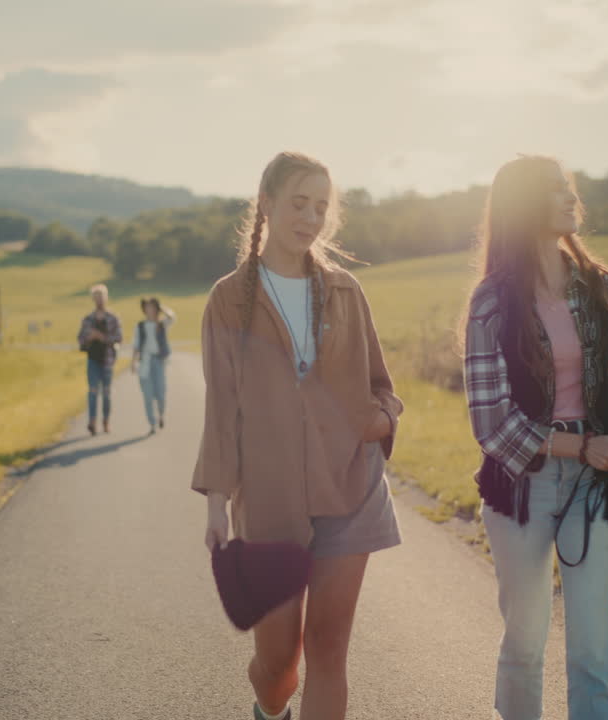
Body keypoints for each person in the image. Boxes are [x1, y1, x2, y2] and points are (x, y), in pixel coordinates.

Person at [192, 151, 403, 720]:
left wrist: (380, 421)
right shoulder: (228, 300)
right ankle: (268, 707)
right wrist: (217, 503)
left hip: (351, 489)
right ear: (266, 204)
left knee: (329, 653)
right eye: (298, 204)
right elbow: (222, 410)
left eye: (321, 207)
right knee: (279, 665)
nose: (310, 218)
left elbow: (382, 386)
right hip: (269, 500)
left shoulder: (345, 292)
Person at [462, 155, 608, 720]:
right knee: (526, 646)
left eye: (570, 188)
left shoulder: (601, 286)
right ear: (525, 204)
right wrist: (580, 446)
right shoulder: (491, 302)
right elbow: (491, 424)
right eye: (555, 190)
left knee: (593, 652)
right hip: (523, 487)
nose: (570, 198)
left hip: (597, 480)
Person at [77, 283, 122, 436]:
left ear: (106, 298)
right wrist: (89, 337)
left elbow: (119, 338)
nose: (99, 300)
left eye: (101, 297)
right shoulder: (88, 319)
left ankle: (106, 421)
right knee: (93, 391)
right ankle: (92, 422)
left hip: (108, 359)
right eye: (96, 297)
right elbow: (80, 339)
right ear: (93, 299)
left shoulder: (113, 318)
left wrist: (102, 337)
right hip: (93, 360)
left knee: (107, 393)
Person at [130, 297, 176, 434]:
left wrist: (162, 308)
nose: (149, 309)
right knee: (148, 395)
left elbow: (172, 317)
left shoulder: (162, 324)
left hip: (159, 362)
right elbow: (136, 345)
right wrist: (133, 362)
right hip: (145, 362)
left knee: (161, 393)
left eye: (152, 307)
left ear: (156, 309)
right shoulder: (140, 326)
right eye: (147, 307)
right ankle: (152, 423)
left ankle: (161, 414)